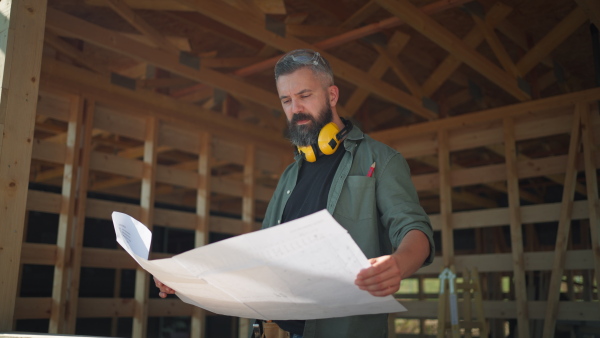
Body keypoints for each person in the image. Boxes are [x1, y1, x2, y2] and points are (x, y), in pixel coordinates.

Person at [155, 49, 435, 338]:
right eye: (286, 100)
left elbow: (415, 228)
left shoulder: (381, 160)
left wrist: (398, 264)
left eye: (305, 95)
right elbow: (259, 258)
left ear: (332, 95)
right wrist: (186, 278)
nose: (295, 108)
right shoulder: (290, 175)